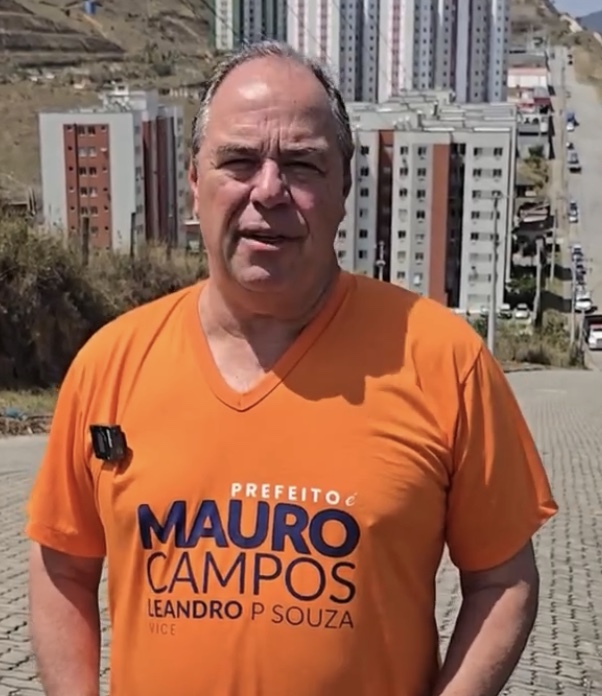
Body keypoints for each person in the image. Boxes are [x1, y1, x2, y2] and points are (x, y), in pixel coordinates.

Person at [26, 40, 557, 696]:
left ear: (345, 186)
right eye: (239, 160)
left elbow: (503, 581)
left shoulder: (443, 359)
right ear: (194, 181)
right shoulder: (110, 363)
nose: (269, 190)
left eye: (302, 164)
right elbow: (62, 566)